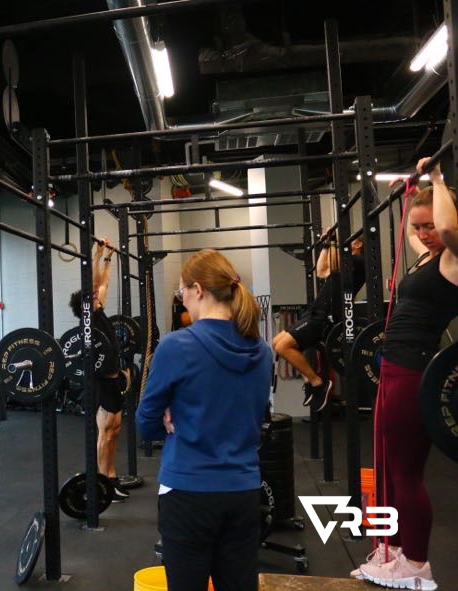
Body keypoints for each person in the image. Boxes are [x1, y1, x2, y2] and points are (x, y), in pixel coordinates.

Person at [136, 249, 271, 591]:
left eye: (181, 293)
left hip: (188, 492)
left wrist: (170, 417)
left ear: (198, 290)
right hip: (243, 492)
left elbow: (145, 422)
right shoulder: (263, 351)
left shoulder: (176, 346)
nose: (182, 302)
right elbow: (256, 415)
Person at [355, 158, 458, 590]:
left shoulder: (453, 257)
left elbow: (450, 230)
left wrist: (437, 180)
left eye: (427, 225)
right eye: (416, 226)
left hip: (415, 372)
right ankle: (394, 550)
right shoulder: (428, 256)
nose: (422, 234)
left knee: (405, 473)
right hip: (392, 370)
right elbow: (422, 236)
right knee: (386, 469)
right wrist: (401, 196)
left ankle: (416, 564)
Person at [271, 231, 365, 411]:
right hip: (315, 311)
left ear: (358, 244)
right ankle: (310, 381)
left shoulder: (358, 262)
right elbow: (322, 271)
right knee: (276, 343)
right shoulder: (342, 264)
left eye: (350, 240)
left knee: (283, 347)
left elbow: (336, 264)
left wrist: (336, 240)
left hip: (326, 316)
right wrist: (326, 244)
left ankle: (318, 383)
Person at [68, 239, 131, 503]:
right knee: (105, 433)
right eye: (92, 296)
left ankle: (111, 477)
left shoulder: (99, 310)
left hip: (114, 380)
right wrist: (97, 253)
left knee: (115, 430)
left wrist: (109, 258)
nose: (97, 295)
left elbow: (103, 284)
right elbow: (94, 283)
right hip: (101, 383)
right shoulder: (87, 318)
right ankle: (101, 483)